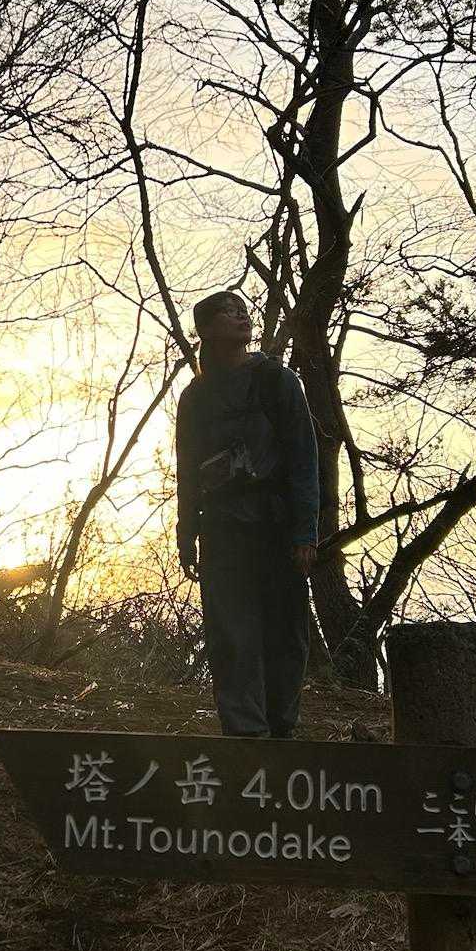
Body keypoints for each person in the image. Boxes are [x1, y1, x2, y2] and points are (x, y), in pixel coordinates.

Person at [176, 290, 319, 738]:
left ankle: (281, 730)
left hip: (277, 525)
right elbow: (186, 471)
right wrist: (186, 533)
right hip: (222, 528)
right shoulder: (195, 398)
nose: (242, 316)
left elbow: (304, 458)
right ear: (205, 329)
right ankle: (245, 736)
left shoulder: (277, 381)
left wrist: (305, 532)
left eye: (243, 310)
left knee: (286, 631)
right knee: (230, 634)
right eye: (228, 311)